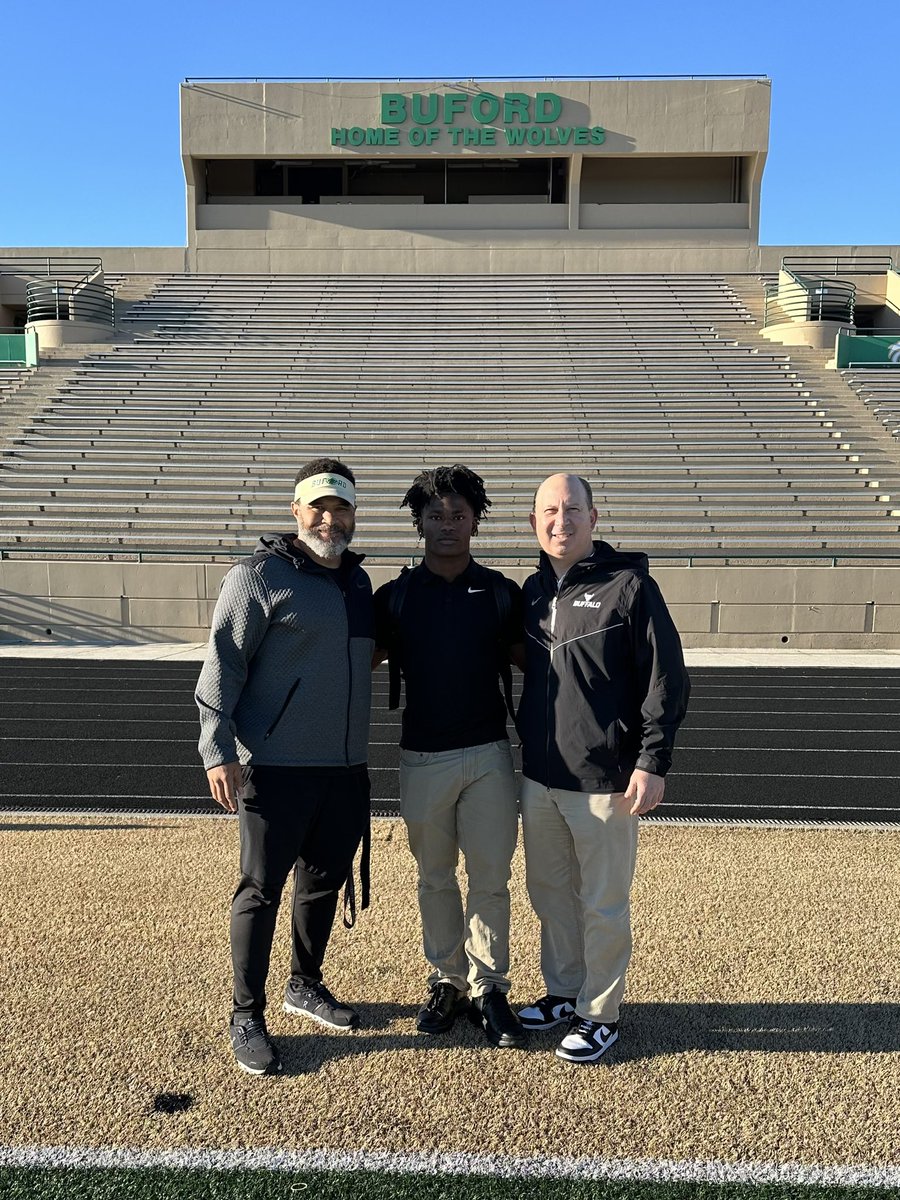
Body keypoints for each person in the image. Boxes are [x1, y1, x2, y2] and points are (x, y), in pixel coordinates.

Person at [195, 458, 374, 1076]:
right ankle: (246, 1012)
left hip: (345, 768)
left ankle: (305, 983)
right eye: (318, 506)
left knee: (323, 880)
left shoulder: (357, 582)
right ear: (297, 512)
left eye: (341, 507)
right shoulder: (257, 575)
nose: (329, 517)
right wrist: (217, 749)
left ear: (354, 514)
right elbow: (224, 664)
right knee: (261, 889)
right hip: (275, 766)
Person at [516, 472, 690, 1063]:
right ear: (533, 522)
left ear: (594, 518)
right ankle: (564, 992)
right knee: (550, 895)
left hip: (606, 780)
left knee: (603, 902)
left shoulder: (631, 587)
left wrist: (652, 761)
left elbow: (666, 679)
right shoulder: (532, 593)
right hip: (541, 777)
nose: (560, 521)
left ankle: (601, 1012)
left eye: (572, 510)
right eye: (548, 511)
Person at [373, 464, 528, 1049]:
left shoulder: (499, 592)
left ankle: (491, 988)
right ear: (419, 522)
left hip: (488, 754)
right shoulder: (395, 597)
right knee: (434, 877)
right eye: (435, 515)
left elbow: (537, 667)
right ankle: (447, 980)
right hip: (423, 757)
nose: (446, 525)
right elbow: (351, 664)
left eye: (458, 515)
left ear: (475, 521)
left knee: (491, 878)